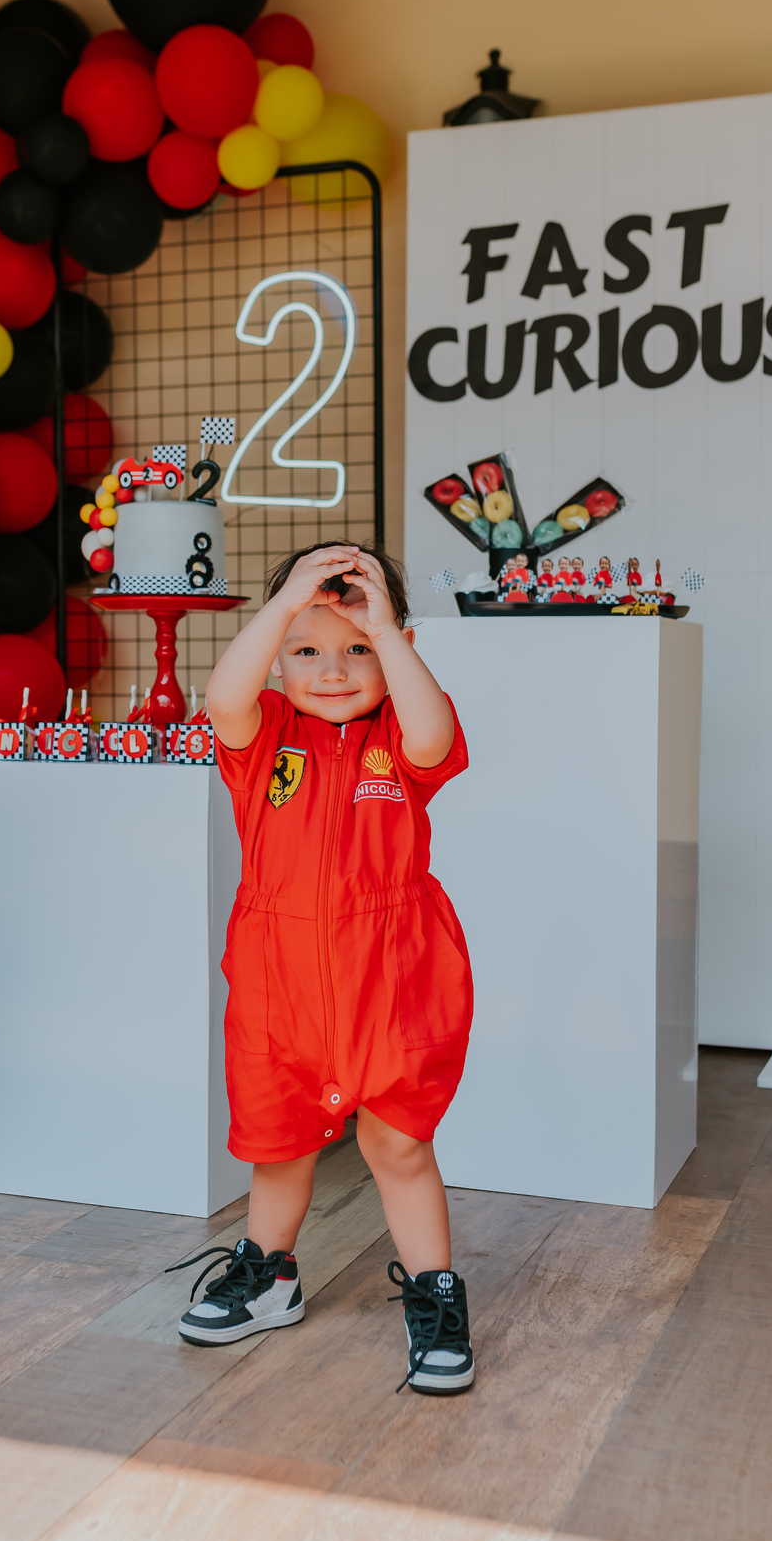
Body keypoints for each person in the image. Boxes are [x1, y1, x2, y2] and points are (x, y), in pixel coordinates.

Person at [167, 541, 476, 1394]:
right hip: (279, 976)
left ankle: (435, 1295)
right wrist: (281, 609)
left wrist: (387, 627)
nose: (332, 671)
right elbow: (223, 694)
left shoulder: (403, 739)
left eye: (359, 650)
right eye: (305, 649)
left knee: (399, 1140)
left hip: (394, 971)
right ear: (276, 655)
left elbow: (434, 730)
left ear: (394, 646)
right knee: (280, 1139)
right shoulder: (264, 735)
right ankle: (268, 1274)